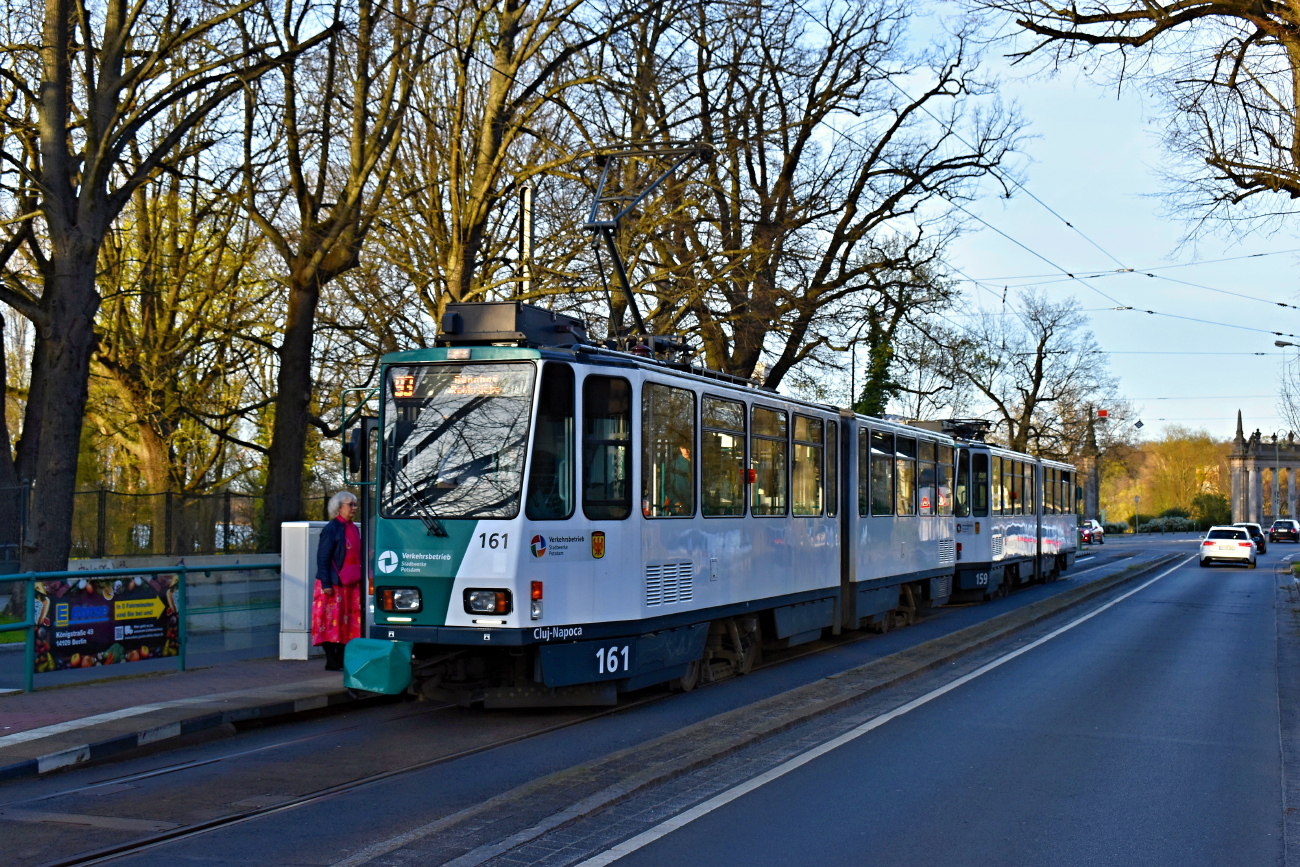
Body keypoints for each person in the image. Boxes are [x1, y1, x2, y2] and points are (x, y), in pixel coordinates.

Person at [314, 491, 362, 671]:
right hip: (334, 584)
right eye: (351, 505)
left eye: (355, 505)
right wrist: (326, 584)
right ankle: (332, 660)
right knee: (329, 621)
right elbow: (323, 557)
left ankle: (340, 659)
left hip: (350, 584)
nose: (354, 508)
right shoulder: (331, 528)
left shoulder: (353, 528)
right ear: (338, 507)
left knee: (348, 623)